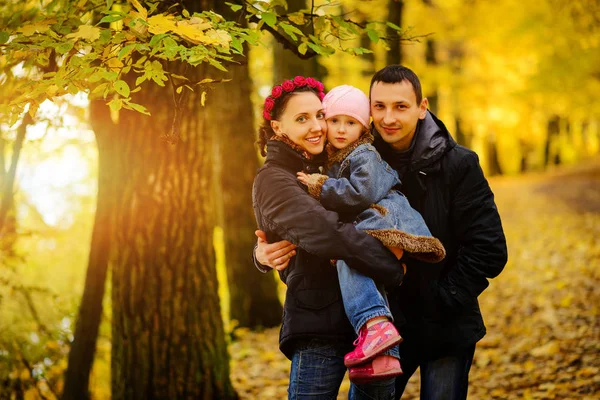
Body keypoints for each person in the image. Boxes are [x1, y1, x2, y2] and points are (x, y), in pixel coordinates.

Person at [255, 66, 508, 400]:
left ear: (422, 107)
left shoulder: (457, 164)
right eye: (380, 107)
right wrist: (261, 253)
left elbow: (488, 249)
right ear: (369, 114)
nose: (389, 117)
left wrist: (442, 298)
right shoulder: (348, 156)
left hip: (443, 322)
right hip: (387, 323)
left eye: (401, 106)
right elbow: (302, 220)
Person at [252, 76, 405, 399]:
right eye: (302, 118)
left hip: (371, 328)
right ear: (278, 128)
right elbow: (329, 235)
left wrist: (260, 256)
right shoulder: (274, 179)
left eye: (320, 115)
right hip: (319, 326)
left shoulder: (336, 161)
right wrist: (392, 268)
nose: (317, 126)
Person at [295, 85, 446, 384]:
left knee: (349, 258)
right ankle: (379, 349)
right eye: (334, 120)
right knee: (353, 261)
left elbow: (359, 193)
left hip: (385, 219)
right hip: (374, 219)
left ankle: (375, 325)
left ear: (364, 127)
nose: (340, 129)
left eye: (350, 123)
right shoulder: (336, 155)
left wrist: (321, 186)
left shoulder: (364, 153)